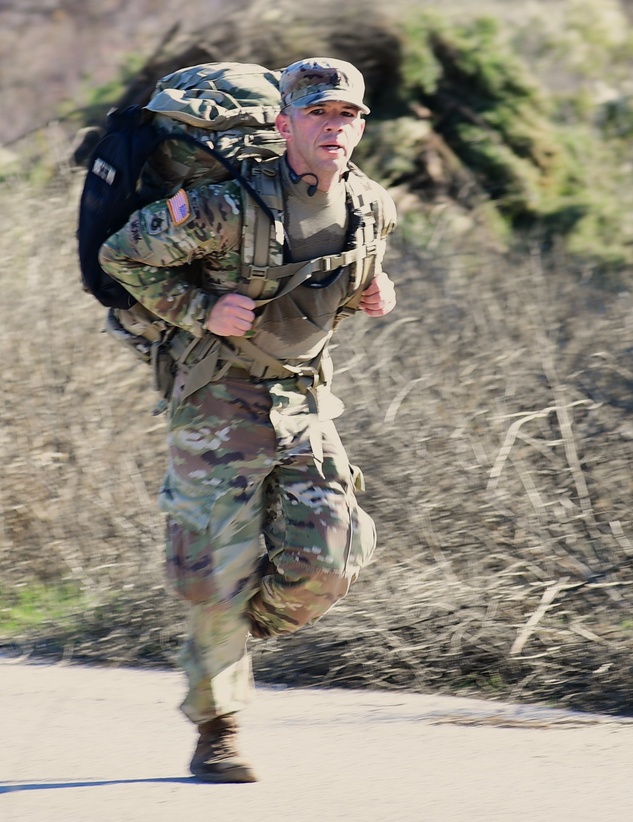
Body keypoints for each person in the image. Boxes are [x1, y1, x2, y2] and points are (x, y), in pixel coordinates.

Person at [98, 58, 398, 783]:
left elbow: (342, 284)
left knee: (330, 560)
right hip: (215, 399)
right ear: (283, 123)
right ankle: (217, 728)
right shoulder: (225, 207)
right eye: (319, 114)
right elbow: (122, 257)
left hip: (302, 397)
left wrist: (372, 290)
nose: (335, 127)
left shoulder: (373, 206)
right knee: (217, 570)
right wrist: (202, 310)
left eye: (347, 115)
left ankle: (226, 630)